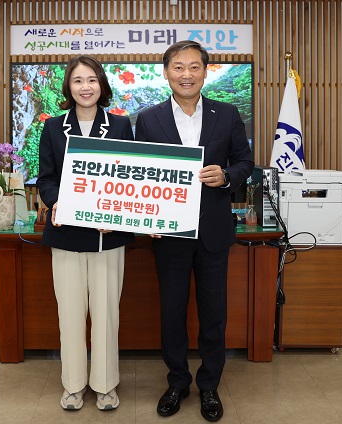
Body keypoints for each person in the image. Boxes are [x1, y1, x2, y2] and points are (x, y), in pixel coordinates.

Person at [134, 40, 254, 422]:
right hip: (169, 231)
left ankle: (209, 385)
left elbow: (245, 162)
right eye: (178, 67)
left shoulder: (227, 113)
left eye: (194, 67)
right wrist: (146, 218)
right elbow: (140, 172)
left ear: (205, 71)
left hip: (214, 230)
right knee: (171, 312)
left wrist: (226, 176)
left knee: (213, 313)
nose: (186, 74)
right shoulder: (148, 119)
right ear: (166, 72)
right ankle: (177, 382)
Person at [37, 55, 135, 411]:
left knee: (107, 315)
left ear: (101, 84)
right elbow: (46, 179)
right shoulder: (53, 127)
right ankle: (73, 385)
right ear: (69, 86)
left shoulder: (120, 126)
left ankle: (106, 385)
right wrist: (59, 202)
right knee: (70, 315)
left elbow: (129, 176)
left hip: (108, 236)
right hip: (66, 234)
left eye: (92, 79)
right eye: (78, 80)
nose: (85, 87)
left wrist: (116, 213)